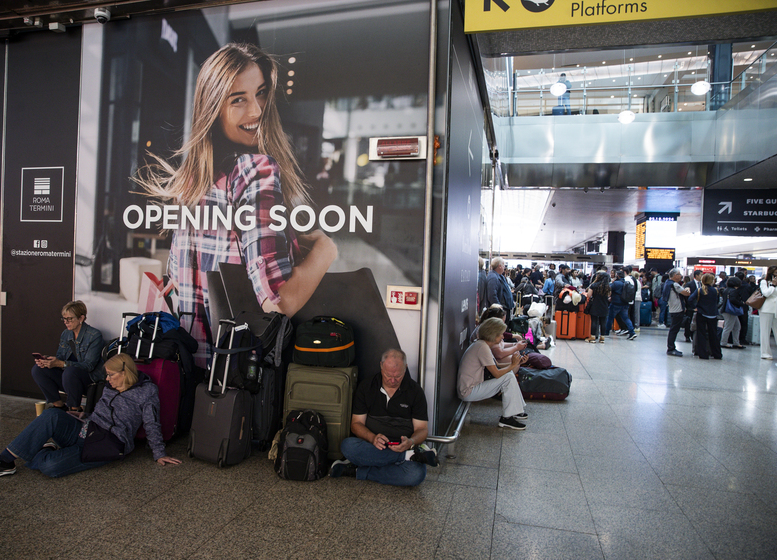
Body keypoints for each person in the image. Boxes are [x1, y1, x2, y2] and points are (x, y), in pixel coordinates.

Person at [135, 43, 337, 366]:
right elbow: (278, 302)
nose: (256, 111)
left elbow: (179, 284)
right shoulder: (254, 170)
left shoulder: (192, 182)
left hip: (190, 371)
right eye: (238, 100)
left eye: (259, 93)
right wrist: (325, 249)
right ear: (213, 107)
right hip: (242, 379)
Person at [0, 354, 182, 482]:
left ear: (125, 373)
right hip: (88, 427)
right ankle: (4, 461)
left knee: (50, 468)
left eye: (111, 375)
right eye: (106, 375)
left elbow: (152, 423)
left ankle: (43, 450)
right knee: (52, 414)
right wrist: (85, 415)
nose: (107, 379)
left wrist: (159, 454)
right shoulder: (110, 386)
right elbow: (103, 409)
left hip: (108, 442)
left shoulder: (147, 392)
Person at [330, 349, 438, 486]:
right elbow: (356, 424)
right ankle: (408, 457)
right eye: (388, 375)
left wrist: (410, 441)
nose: (393, 380)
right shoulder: (366, 387)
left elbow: (422, 429)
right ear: (381, 366)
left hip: (402, 446)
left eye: (398, 376)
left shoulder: (415, 391)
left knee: (416, 474)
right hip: (373, 446)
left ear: (405, 368)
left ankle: (358, 470)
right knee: (348, 446)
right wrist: (372, 438)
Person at [31, 300, 105, 412]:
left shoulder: (94, 335)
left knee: (70, 371)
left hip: (88, 380)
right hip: (68, 378)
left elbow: (89, 366)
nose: (66, 322)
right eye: (64, 319)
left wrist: (62, 363)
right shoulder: (66, 334)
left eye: (70, 319)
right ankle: (59, 406)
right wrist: (47, 361)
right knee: (38, 369)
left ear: (81, 318)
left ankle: (74, 409)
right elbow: (60, 356)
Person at [456, 318, 528, 430]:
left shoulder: (482, 345)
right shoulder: (482, 347)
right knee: (508, 376)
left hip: (470, 388)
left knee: (509, 375)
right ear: (493, 335)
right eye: (501, 334)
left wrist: (516, 363)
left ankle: (515, 411)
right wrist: (512, 365)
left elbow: (497, 366)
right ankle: (507, 418)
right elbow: (497, 374)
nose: (503, 337)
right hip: (468, 391)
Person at [688, 273, 722, 360]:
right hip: (713, 314)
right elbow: (717, 302)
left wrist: (695, 307)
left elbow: (690, 299)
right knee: (713, 334)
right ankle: (717, 354)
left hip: (702, 314)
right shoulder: (716, 290)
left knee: (701, 334)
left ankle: (703, 354)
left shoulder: (700, 290)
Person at [664, 269, 691, 356]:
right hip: (677, 309)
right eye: (679, 274)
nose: (681, 276)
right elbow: (686, 293)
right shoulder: (674, 284)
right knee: (674, 329)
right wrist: (687, 288)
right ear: (675, 275)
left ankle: (671, 347)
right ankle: (671, 348)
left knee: (673, 329)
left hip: (672, 308)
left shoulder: (667, 283)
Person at [605, 270, 637, 340]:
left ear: (618, 276)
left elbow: (608, 288)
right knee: (626, 318)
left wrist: (612, 282)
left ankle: (606, 332)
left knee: (610, 317)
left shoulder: (616, 283)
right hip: (625, 303)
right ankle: (632, 332)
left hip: (615, 304)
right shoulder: (626, 283)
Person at [719, 276, 746, 349]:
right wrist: (742, 303)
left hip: (726, 310)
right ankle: (723, 343)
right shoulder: (734, 291)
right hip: (730, 311)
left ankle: (736, 342)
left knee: (737, 326)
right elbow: (733, 300)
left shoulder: (726, 290)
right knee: (729, 327)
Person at [485, 257, 515, 321]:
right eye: (503, 265)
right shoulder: (493, 277)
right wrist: (499, 309)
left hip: (504, 308)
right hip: (499, 311)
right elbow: (492, 295)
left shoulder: (499, 276)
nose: (504, 267)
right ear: (500, 266)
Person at [585, 271, 610, 343]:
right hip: (604, 305)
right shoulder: (608, 286)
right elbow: (609, 296)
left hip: (595, 305)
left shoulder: (594, 285)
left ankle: (592, 337)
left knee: (594, 321)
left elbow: (589, 295)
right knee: (603, 322)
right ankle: (602, 337)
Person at [758, 266, 777, 360]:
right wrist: (773, 285)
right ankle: (765, 353)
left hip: (776, 309)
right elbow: (766, 293)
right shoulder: (764, 282)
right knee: (765, 332)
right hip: (766, 309)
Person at [683, 270, 702, 343]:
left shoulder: (702, 284)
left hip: (699, 307)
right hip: (690, 306)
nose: (701, 276)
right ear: (696, 275)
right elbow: (686, 296)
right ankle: (687, 335)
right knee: (689, 321)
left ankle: (694, 336)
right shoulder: (689, 284)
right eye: (700, 275)